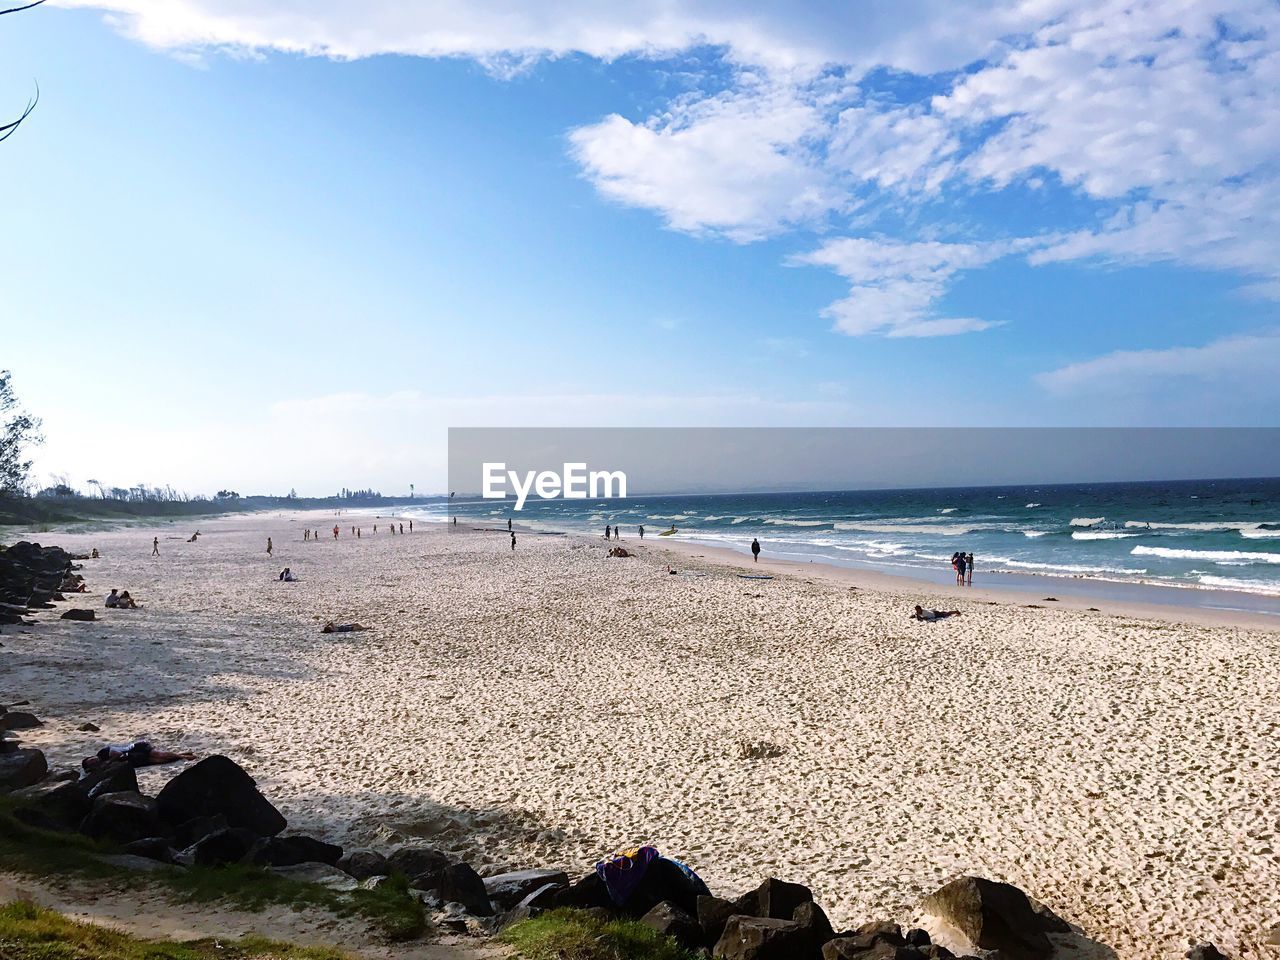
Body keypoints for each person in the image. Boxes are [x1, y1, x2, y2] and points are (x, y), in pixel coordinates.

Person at [82, 741, 196, 772]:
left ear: (91, 756)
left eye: (91, 759)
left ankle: (182, 756)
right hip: (134, 760)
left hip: (137, 748)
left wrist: (109, 762)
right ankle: (183, 754)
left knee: (159, 755)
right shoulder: (101, 766)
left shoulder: (103, 753)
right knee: (160, 761)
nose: (93, 761)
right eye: (92, 763)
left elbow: (119, 754)